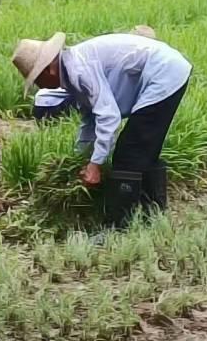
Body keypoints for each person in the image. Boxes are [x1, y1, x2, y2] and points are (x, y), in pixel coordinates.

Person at [12, 29, 191, 212]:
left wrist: (95, 164)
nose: (37, 85)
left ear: (48, 69)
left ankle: (119, 225)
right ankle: (151, 213)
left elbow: (108, 116)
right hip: (166, 72)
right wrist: (82, 157)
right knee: (143, 150)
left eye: (36, 79)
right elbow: (90, 119)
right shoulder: (71, 73)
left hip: (165, 75)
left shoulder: (78, 70)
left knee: (129, 152)